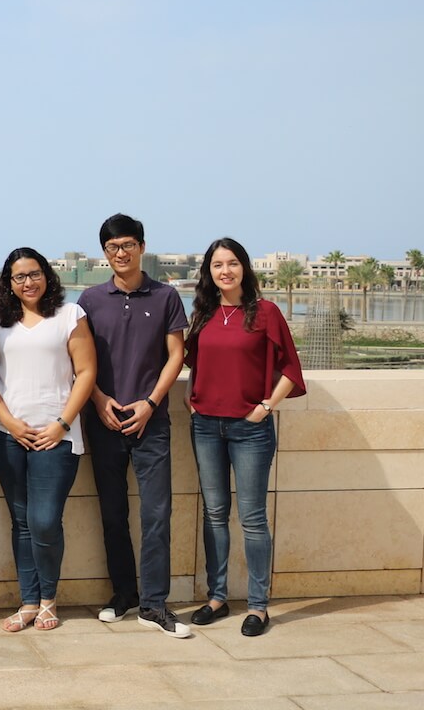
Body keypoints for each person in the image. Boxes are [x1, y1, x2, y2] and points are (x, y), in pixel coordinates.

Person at [185, 237, 305, 637]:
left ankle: (258, 606)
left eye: (232, 263)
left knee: (252, 519)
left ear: (244, 268)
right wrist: (191, 398)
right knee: (214, 514)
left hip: (250, 429)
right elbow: (194, 362)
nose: (226, 271)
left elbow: (291, 370)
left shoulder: (266, 313)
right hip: (206, 426)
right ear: (209, 272)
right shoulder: (203, 314)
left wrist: (266, 406)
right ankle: (217, 598)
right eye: (218, 265)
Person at [78, 214, 190, 638]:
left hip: (151, 423)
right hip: (104, 420)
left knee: (157, 514)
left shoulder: (166, 296)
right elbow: (79, 362)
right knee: (112, 513)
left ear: (142, 247)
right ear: (104, 253)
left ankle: (155, 604)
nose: (120, 253)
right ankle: (123, 593)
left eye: (127, 245)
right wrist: (98, 399)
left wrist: (150, 403)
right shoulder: (89, 300)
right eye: (112, 247)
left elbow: (176, 356)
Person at [0, 247, 96, 633]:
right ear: (9, 283)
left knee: (44, 520)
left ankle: (49, 599)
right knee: (22, 520)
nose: (28, 282)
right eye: (19, 277)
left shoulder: (70, 315)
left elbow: (86, 372)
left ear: (46, 276)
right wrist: (9, 422)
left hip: (55, 436)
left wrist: (62, 423)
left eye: (34, 274)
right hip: (6, 434)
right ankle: (29, 602)